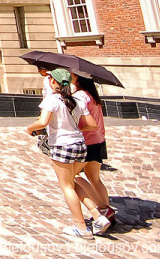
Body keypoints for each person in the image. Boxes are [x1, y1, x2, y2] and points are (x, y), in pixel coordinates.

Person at [25, 68, 110, 239]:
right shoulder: (74, 100)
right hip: (80, 144)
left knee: (67, 187)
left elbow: (42, 121)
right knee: (72, 182)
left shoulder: (52, 100)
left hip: (63, 146)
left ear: (54, 82)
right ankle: (97, 215)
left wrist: (30, 129)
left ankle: (82, 228)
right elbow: (92, 124)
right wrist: (75, 128)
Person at [73, 74, 115, 226]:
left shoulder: (80, 96)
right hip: (98, 140)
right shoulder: (93, 95)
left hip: (87, 141)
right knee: (94, 177)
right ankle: (108, 209)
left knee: (72, 177)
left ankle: (100, 208)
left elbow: (78, 117)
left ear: (78, 79)